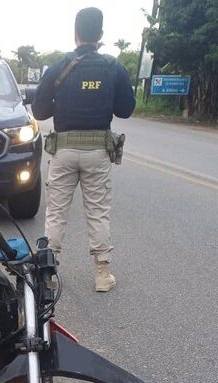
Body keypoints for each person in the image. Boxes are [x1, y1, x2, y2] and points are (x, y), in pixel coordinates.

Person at [32, 7, 136, 292]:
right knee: (98, 212)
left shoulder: (57, 68)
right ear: (101, 34)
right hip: (97, 153)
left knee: (56, 213)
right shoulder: (113, 67)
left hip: (63, 152)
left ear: (75, 33)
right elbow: (126, 109)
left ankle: (48, 277)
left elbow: (39, 111)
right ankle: (102, 275)